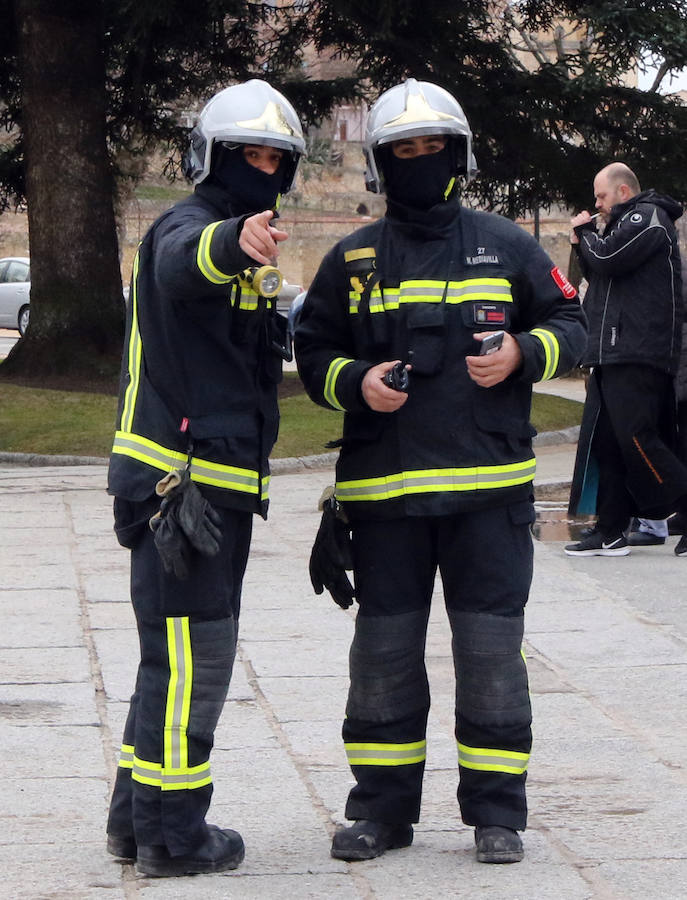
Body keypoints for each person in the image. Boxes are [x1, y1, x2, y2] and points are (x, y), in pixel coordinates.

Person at [295, 79, 587, 865]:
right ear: (381, 164)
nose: (420, 163)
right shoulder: (351, 257)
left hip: (487, 499)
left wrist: (525, 354)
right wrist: (354, 381)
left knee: (491, 656)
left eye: (432, 150)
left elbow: (573, 324)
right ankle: (380, 813)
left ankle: (497, 813)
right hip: (384, 500)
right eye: (404, 152)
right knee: (383, 660)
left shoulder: (507, 244)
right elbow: (311, 349)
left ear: (457, 156)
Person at [104, 79, 305, 877]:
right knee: (196, 660)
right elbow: (189, 262)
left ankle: (134, 822)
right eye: (247, 156)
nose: (262, 171)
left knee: (169, 660)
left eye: (273, 159)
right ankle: (178, 837)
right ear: (211, 159)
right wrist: (234, 244)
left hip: (204, 484)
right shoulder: (186, 228)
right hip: (178, 492)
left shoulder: (222, 231)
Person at [566, 162, 685, 557]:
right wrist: (580, 242)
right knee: (608, 444)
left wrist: (584, 233)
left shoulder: (647, 217)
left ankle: (673, 506)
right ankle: (610, 529)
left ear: (622, 191)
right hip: (612, 350)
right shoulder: (621, 226)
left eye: (601, 196)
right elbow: (598, 272)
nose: (596, 204)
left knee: (637, 438)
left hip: (638, 349)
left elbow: (607, 259)